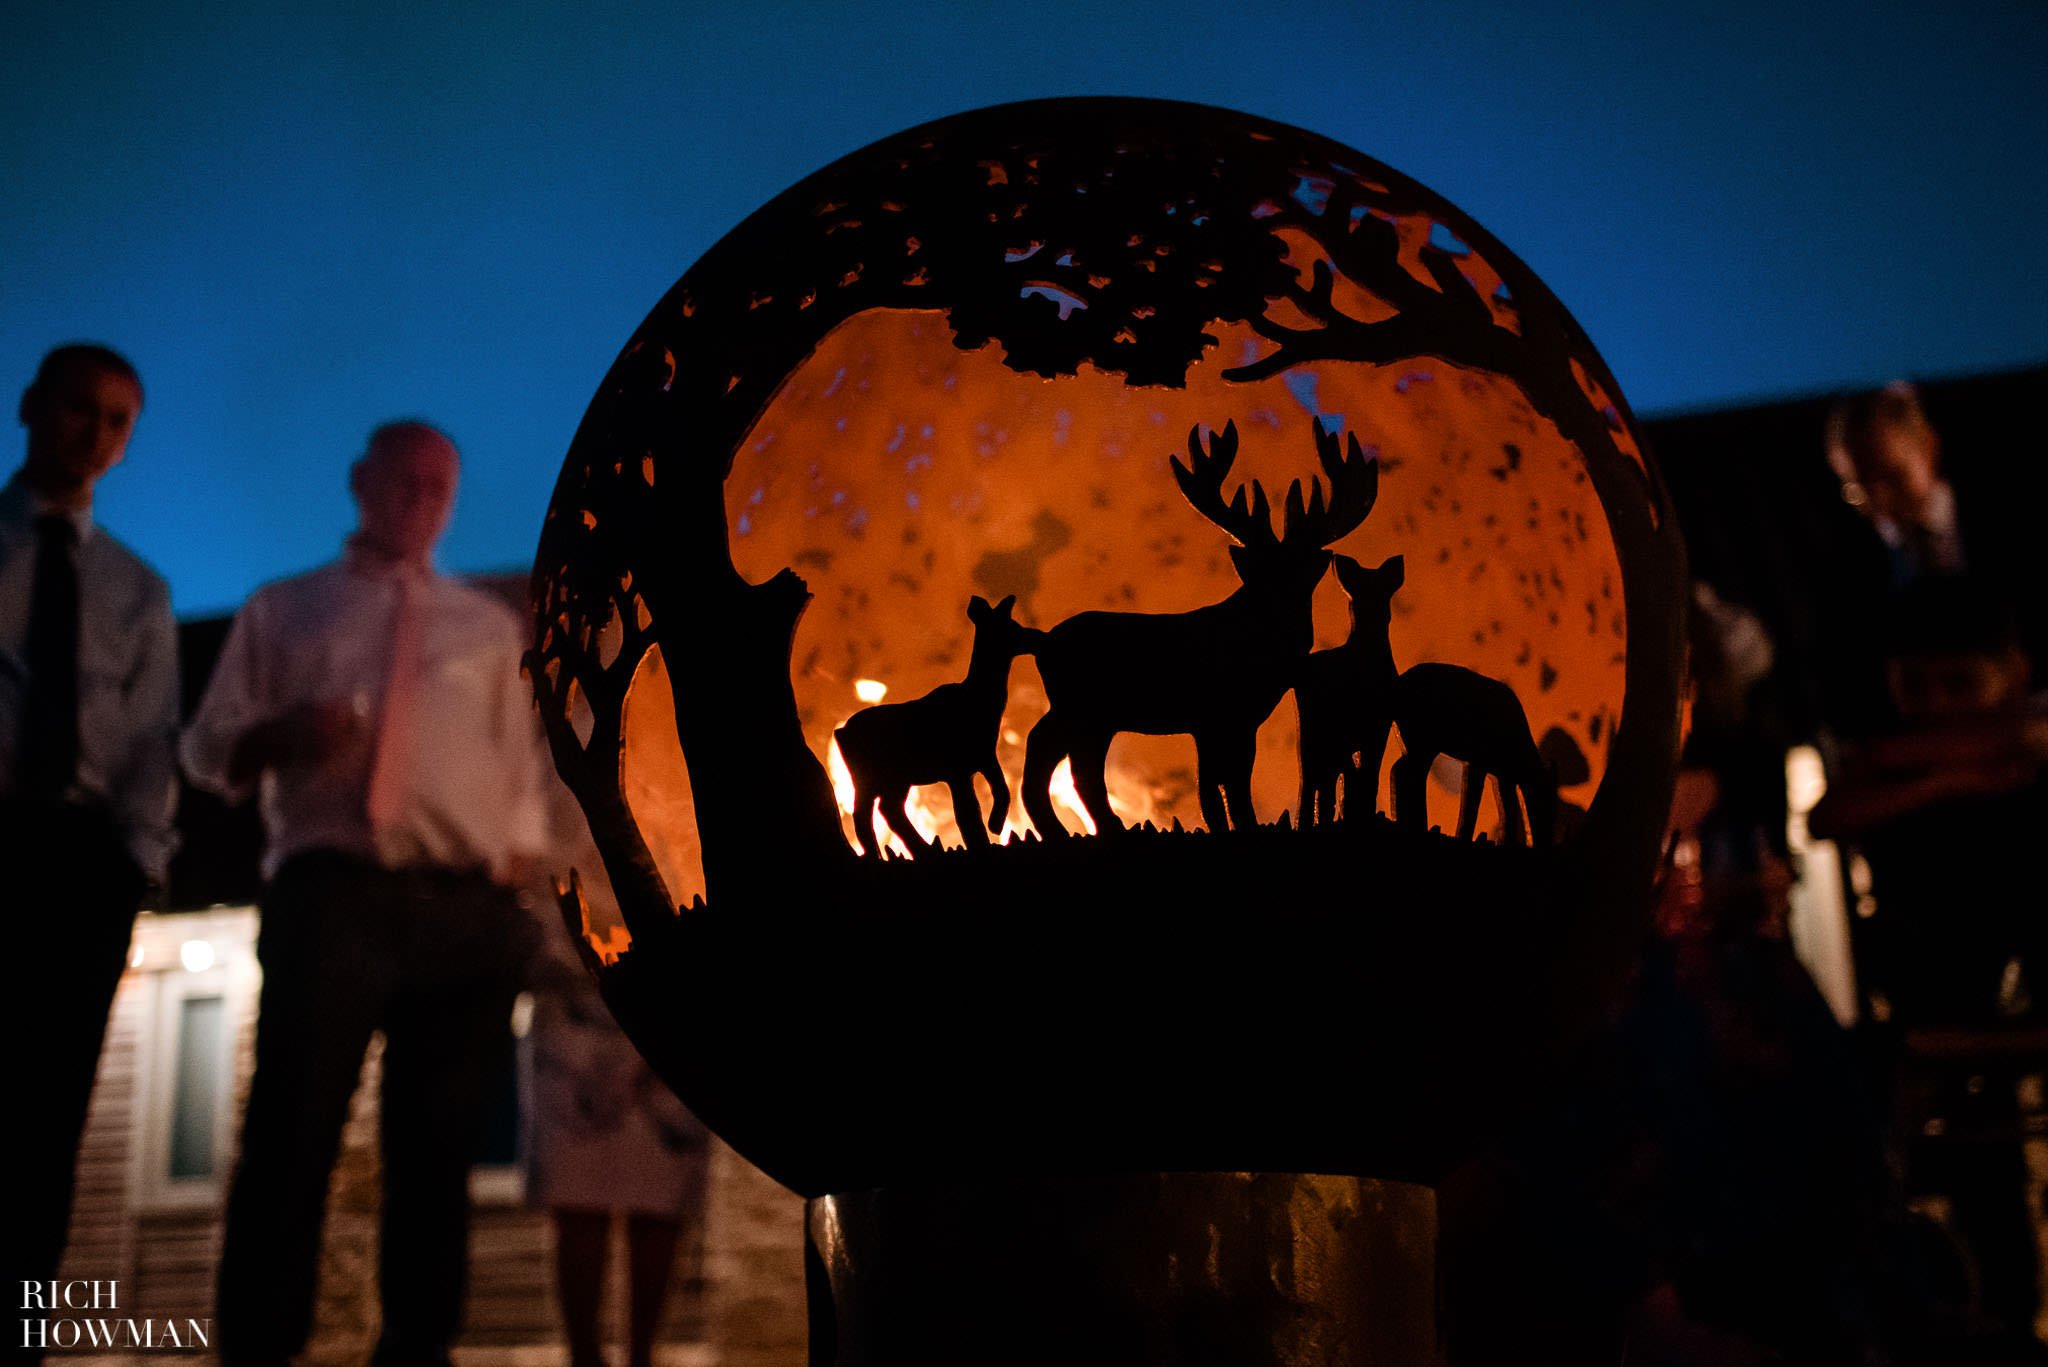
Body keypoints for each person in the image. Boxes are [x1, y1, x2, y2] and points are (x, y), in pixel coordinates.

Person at [183, 421, 548, 1367]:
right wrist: (284, 736)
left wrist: (515, 892)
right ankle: (260, 1347)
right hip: (333, 892)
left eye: (442, 487)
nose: (423, 501)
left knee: (436, 1157)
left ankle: (419, 1350)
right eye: (406, 481)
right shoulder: (287, 610)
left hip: (461, 909)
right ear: (361, 483)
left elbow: (521, 787)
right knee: (292, 1134)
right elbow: (208, 747)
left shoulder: (488, 629)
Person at [2, 343, 178, 1355]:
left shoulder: (134, 590)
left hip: (77, 864)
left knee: (46, 1119)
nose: (96, 435)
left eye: (118, 421)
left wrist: (132, 863)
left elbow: (151, 737)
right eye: (81, 409)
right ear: (32, 405)